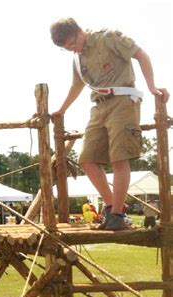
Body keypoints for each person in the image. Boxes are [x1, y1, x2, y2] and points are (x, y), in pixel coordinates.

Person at [51, 18, 169, 231]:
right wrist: (62, 109)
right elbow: (77, 85)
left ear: (78, 31)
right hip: (98, 105)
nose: (72, 50)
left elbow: (141, 55)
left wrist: (152, 87)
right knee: (86, 159)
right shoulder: (77, 59)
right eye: (66, 48)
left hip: (123, 100)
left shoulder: (108, 37)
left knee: (119, 158)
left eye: (72, 44)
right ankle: (114, 207)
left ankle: (116, 215)